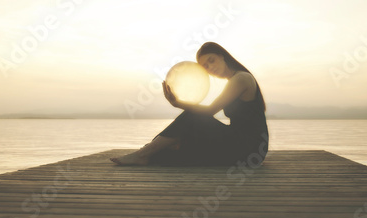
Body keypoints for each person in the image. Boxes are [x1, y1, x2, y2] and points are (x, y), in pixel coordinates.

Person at [110, 42, 269, 166]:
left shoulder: (241, 78)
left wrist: (178, 103)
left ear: (222, 56)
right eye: (205, 67)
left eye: (211, 60)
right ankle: (147, 153)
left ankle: (142, 154)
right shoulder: (233, 80)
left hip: (249, 148)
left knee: (192, 116)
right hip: (238, 143)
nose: (210, 67)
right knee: (168, 154)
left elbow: (210, 111)